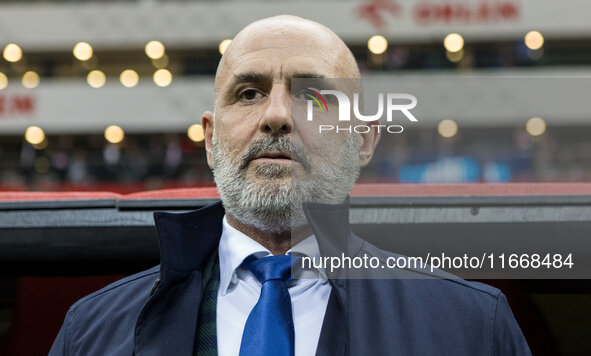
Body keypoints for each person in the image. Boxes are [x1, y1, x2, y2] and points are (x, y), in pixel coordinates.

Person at [49, 15, 531, 356]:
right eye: (249, 93)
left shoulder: (471, 328)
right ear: (212, 139)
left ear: (363, 139)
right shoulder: (90, 334)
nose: (277, 115)